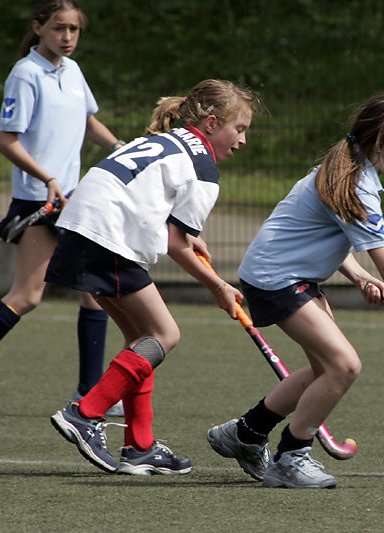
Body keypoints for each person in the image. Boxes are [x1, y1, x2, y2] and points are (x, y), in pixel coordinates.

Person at [206, 91, 384, 489]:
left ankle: (245, 434)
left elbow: (324, 236)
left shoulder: (348, 166)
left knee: (325, 367)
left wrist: (356, 275)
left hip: (292, 275)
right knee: (344, 365)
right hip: (276, 279)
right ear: (381, 142)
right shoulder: (354, 182)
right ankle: (291, 457)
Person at [0, 0, 124, 418]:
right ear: (38, 28)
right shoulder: (25, 74)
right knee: (27, 296)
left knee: (94, 294)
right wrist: (48, 177)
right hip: (39, 201)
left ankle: (89, 395)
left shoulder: (72, 71)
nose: (67, 37)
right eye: (58, 28)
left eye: (74, 29)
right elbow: (7, 141)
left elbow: (88, 121)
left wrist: (121, 150)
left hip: (71, 199)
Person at [48, 79, 260, 475]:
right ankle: (85, 414)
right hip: (107, 235)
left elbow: (165, 219)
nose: (243, 140)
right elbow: (176, 246)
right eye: (240, 128)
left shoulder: (173, 139)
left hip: (84, 227)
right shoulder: (203, 167)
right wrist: (218, 286)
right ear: (212, 123)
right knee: (165, 334)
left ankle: (140, 446)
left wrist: (187, 236)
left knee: (141, 340)